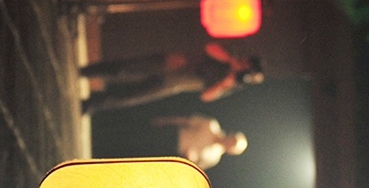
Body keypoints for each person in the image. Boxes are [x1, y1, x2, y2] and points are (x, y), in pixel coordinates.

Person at [80, 43, 264, 114]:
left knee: (130, 96)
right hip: (171, 63)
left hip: (173, 84)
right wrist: (231, 61)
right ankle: (87, 72)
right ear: (247, 62)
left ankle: (90, 104)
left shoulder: (233, 84)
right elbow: (210, 47)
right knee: (126, 68)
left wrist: (225, 82)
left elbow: (206, 96)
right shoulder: (231, 53)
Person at [150, 115, 247, 171]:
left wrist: (190, 159)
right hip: (170, 135)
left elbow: (193, 168)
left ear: (231, 151)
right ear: (231, 134)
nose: (230, 142)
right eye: (233, 140)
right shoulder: (211, 125)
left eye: (233, 145)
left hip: (171, 154)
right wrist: (165, 120)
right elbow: (186, 121)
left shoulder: (214, 158)